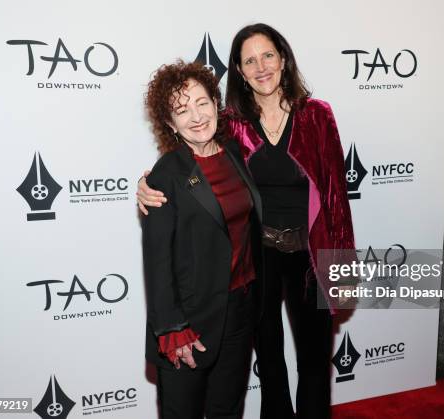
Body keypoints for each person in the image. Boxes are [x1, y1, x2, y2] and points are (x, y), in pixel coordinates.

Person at [138, 24, 355, 419]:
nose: (261, 67)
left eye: (268, 55)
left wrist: (340, 270)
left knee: (314, 360)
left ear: (284, 59)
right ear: (238, 70)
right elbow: (192, 160)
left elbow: (337, 196)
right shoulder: (229, 122)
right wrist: (144, 184)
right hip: (258, 260)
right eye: (249, 60)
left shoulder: (317, 116)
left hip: (310, 255)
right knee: (269, 359)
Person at [142, 60, 263, 419]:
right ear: (169, 122)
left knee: (227, 409)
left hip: (240, 308)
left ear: (216, 103)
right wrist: (173, 328)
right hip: (190, 322)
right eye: (182, 110)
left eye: (202, 103)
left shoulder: (235, 154)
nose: (195, 116)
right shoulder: (167, 174)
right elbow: (157, 258)